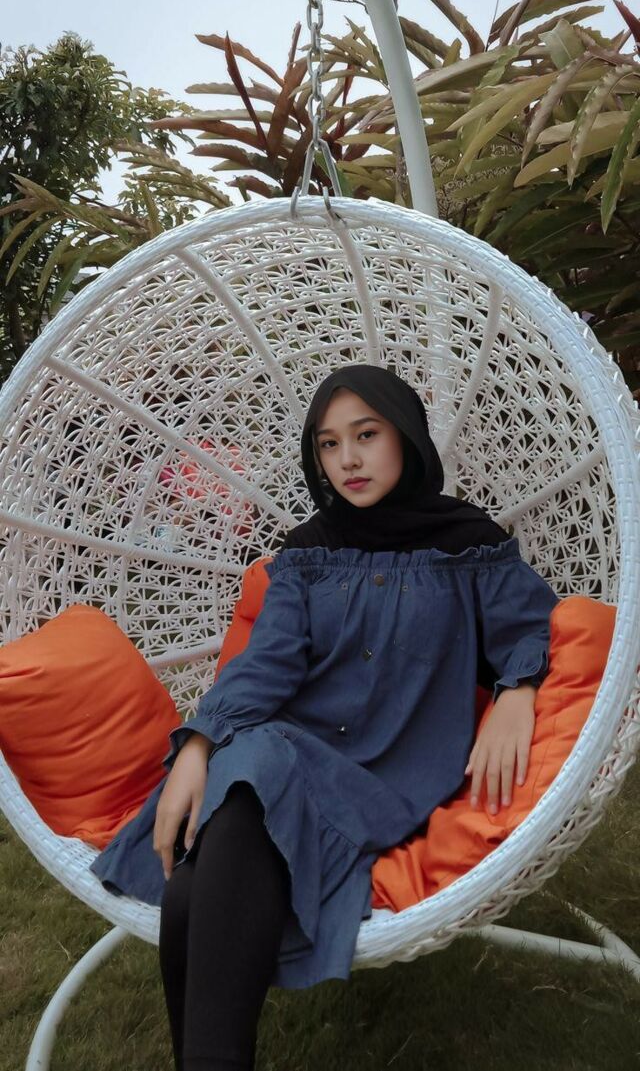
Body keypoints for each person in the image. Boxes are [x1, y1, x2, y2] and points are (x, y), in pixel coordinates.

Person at [90, 363, 560, 1071]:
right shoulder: (308, 554)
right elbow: (266, 664)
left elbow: (535, 626)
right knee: (207, 858)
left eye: (366, 435)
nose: (348, 460)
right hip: (280, 752)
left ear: (405, 437)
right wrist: (197, 745)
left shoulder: (468, 544)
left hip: (388, 771)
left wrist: (517, 689)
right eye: (329, 444)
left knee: (205, 868)